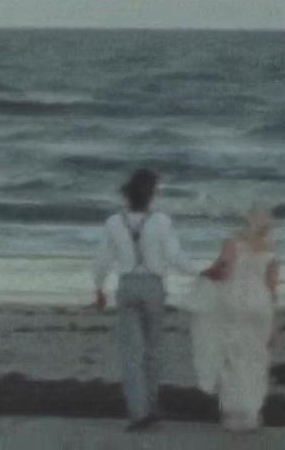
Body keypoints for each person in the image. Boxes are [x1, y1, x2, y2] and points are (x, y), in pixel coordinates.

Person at [92, 168, 199, 431]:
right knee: (153, 350)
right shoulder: (161, 221)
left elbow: (102, 260)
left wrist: (99, 288)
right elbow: (175, 257)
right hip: (154, 286)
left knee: (131, 353)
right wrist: (201, 272)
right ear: (151, 195)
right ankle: (152, 405)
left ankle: (138, 412)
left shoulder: (113, 222)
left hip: (127, 285)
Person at [188, 207, 279, 432]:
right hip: (260, 305)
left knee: (231, 357)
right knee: (256, 357)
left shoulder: (233, 242)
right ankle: (251, 412)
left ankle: (233, 413)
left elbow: (224, 270)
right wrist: (274, 325)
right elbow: (272, 290)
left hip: (233, 303)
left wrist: (204, 275)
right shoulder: (272, 252)